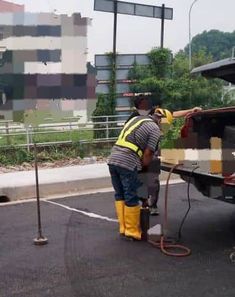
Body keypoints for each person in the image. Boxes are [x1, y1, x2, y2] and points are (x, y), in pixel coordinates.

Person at [126, 94, 202, 216]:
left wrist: (191, 110)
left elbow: (173, 114)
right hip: (137, 151)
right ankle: (142, 203)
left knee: (153, 179)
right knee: (140, 178)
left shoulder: (156, 113)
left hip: (151, 150)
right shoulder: (135, 117)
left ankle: (152, 205)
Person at [107, 109, 162, 240]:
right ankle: (132, 231)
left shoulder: (136, 119)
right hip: (128, 162)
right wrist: (143, 166)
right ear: (160, 121)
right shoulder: (155, 129)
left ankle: (123, 228)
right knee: (131, 195)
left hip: (113, 159)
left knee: (120, 194)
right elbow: (148, 154)